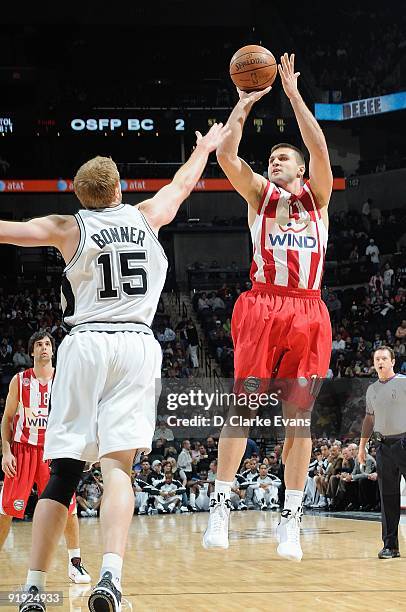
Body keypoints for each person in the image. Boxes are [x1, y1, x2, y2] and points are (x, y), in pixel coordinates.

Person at [0, 122, 229, 612]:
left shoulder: (68, 226)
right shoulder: (147, 216)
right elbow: (183, 183)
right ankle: (110, 578)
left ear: (82, 197)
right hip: (137, 343)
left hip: (84, 345)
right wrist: (206, 148)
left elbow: (8, 232)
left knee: (61, 473)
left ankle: (34, 589)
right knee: (118, 468)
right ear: (121, 187)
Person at [203, 53, 332, 562]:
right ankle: (220, 504)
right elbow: (228, 157)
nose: (275, 161)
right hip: (262, 305)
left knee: (298, 421)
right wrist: (243, 102)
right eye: (273, 157)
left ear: (300, 169)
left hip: (307, 310)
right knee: (245, 405)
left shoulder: (318, 197)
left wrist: (294, 96)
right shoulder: (258, 195)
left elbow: (320, 147)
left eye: (284, 158)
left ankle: (291, 518)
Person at [0, 331, 90, 584]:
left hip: (55, 452)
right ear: (31, 351)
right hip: (22, 451)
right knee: (5, 510)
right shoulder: (19, 381)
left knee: (69, 509)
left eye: (47, 344)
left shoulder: (64, 379)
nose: (43, 348)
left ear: (53, 350)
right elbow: (7, 419)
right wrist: (6, 452)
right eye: (38, 344)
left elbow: (77, 414)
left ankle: (76, 565)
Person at [358, 346, 406, 559]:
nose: (380, 362)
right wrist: (361, 447)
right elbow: (369, 419)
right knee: (388, 499)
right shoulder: (372, 390)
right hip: (383, 447)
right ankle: (390, 546)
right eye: (377, 359)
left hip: (404, 442)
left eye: (384, 358)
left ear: (393, 361)